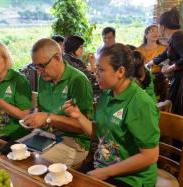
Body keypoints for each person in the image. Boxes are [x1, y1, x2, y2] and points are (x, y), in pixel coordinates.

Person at [64, 43, 160, 187]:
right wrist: (78, 115)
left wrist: (106, 172)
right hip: (104, 164)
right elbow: (101, 135)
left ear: (120, 71)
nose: (96, 74)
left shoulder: (140, 103)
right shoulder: (107, 94)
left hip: (133, 178)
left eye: (101, 70)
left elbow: (150, 156)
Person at [23, 38, 94, 166]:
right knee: (16, 152)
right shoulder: (43, 78)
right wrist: (35, 117)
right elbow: (40, 109)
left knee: (34, 162)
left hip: (74, 142)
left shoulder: (78, 80)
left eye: (42, 66)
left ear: (57, 58)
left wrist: (48, 118)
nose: (39, 71)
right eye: (36, 67)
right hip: (47, 135)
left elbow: (82, 127)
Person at [146, 7, 183, 115]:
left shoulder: (177, 37)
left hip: (182, 80)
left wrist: (169, 68)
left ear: (162, 26)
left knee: (177, 108)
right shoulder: (175, 37)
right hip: (179, 77)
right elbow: (165, 54)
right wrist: (151, 63)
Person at [137, 25, 167, 101]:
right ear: (146, 35)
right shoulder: (139, 50)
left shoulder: (164, 49)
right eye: (152, 31)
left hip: (159, 78)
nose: (156, 33)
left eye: (157, 31)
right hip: (143, 78)